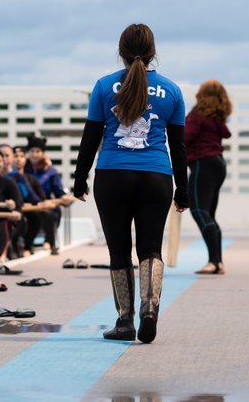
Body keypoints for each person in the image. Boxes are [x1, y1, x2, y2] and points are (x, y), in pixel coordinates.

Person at [72, 23, 188, 344]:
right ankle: (150, 308)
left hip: (112, 176)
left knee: (119, 251)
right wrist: (183, 188)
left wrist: (79, 178)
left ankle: (124, 321)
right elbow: (178, 145)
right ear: (153, 52)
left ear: (120, 51)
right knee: (150, 248)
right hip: (157, 176)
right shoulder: (172, 91)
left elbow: (91, 136)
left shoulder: (104, 86)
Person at [183, 79, 232, 275]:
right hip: (218, 164)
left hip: (203, 164)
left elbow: (184, 138)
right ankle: (218, 262)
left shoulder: (198, 115)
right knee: (208, 214)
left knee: (198, 210)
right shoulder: (217, 118)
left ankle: (213, 261)